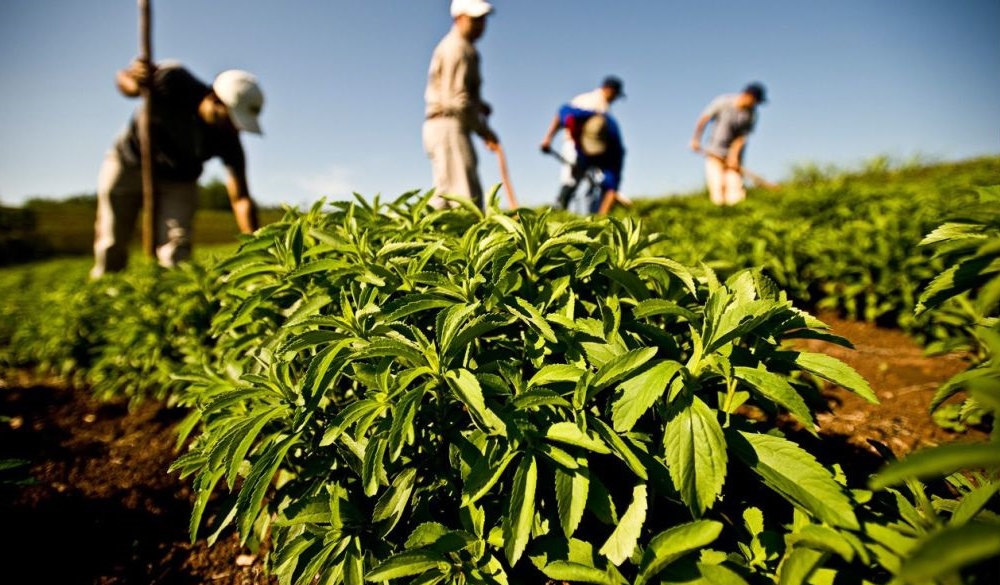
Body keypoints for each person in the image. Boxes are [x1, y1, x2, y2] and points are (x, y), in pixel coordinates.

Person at [90, 59, 264, 279]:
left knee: (176, 245)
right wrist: (135, 83)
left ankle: (170, 295)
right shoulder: (174, 80)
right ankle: (105, 285)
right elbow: (124, 78)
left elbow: (241, 199)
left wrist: (256, 244)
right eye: (231, 119)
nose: (234, 128)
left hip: (180, 179)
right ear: (215, 100)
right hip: (130, 161)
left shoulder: (229, 139)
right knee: (112, 236)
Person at [423, 0, 499, 211]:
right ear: (459, 18)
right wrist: (485, 132)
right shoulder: (457, 49)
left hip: (444, 125)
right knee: (466, 200)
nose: (481, 25)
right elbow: (456, 101)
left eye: (483, 19)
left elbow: (457, 93)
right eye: (475, 19)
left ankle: (425, 240)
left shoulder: (464, 49)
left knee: (445, 195)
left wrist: (479, 105)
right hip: (448, 125)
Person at [539, 77, 627, 215]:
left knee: (594, 184)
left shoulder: (611, 132)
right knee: (572, 179)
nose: (615, 99)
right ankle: (560, 211)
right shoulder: (590, 103)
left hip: (596, 151)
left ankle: (594, 218)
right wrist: (548, 138)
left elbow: (613, 177)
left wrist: (611, 192)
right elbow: (562, 114)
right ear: (610, 90)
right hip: (575, 144)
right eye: (615, 95)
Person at [690, 82, 767, 206]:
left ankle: (737, 213)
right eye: (756, 101)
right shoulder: (723, 102)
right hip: (714, 150)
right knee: (717, 184)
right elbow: (704, 119)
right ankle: (719, 213)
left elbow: (741, 138)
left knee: (735, 186)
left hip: (734, 154)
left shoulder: (751, 115)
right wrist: (695, 139)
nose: (756, 105)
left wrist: (734, 157)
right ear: (749, 96)